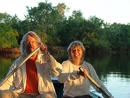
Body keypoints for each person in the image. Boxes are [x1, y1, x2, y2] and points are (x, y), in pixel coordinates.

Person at [0, 31, 62, 98]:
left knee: (47, 97)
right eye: (27, 42)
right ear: (24, 45)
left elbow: (57, 72)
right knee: (4, 94)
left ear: (38, 45)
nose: (30, 44)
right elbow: (8, 82)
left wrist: (46, 54)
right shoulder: (17, 63)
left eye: (33, 42)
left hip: (40, 95)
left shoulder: (45, 59)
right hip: (21, 94)